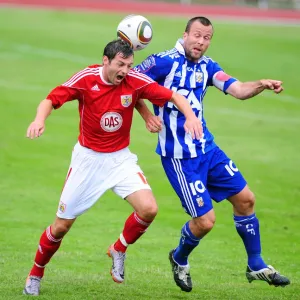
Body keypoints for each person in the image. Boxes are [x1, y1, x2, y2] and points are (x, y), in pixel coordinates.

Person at [23, 39, 203, 296]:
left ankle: (119, 248)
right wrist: (39, 120)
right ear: (106, 61)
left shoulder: (133, 80)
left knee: (149, 209)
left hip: (120, 159)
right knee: (61, 227)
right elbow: (51, 99)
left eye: (129, 65)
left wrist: (192, 117)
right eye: (121, 64)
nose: (125, 71)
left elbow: (173, 96)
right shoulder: (87, 78)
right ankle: (35, 273)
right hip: (88, 161)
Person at [134, 16, 290, 292]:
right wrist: (147, 114)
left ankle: (255, 264)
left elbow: (238, 89)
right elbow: (130, 85)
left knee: (246, 200)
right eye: (197, 35)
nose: (201, 42)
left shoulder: (207, 67)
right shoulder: (163, 61)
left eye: (207, 38)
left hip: (209, 151)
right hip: (181, 159)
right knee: (205, 222)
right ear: (185, 34)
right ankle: (179, 257)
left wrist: (261, 84)